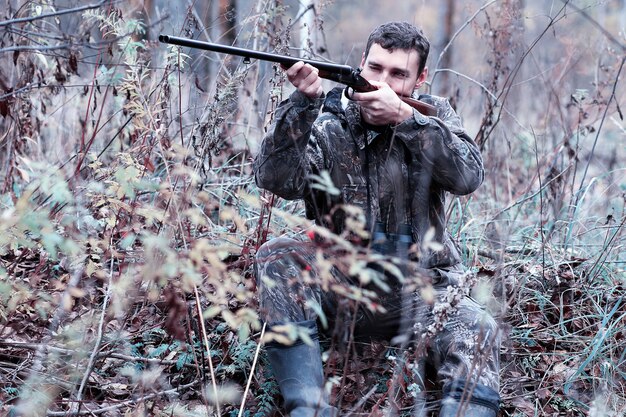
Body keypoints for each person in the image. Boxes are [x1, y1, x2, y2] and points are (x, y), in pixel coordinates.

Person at [252, 21, 500, 417]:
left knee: (480, 325)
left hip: (421, 290)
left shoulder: (433, 118)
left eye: (398, 74)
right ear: (361, 65)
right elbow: (274, 179)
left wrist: (406, 119)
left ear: (420, 79)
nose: (382, 81)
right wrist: (302, 104)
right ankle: (307, 408)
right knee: (275, 256)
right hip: (340, 284)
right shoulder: (326, 118)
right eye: (375, 68)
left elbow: (468, 176)